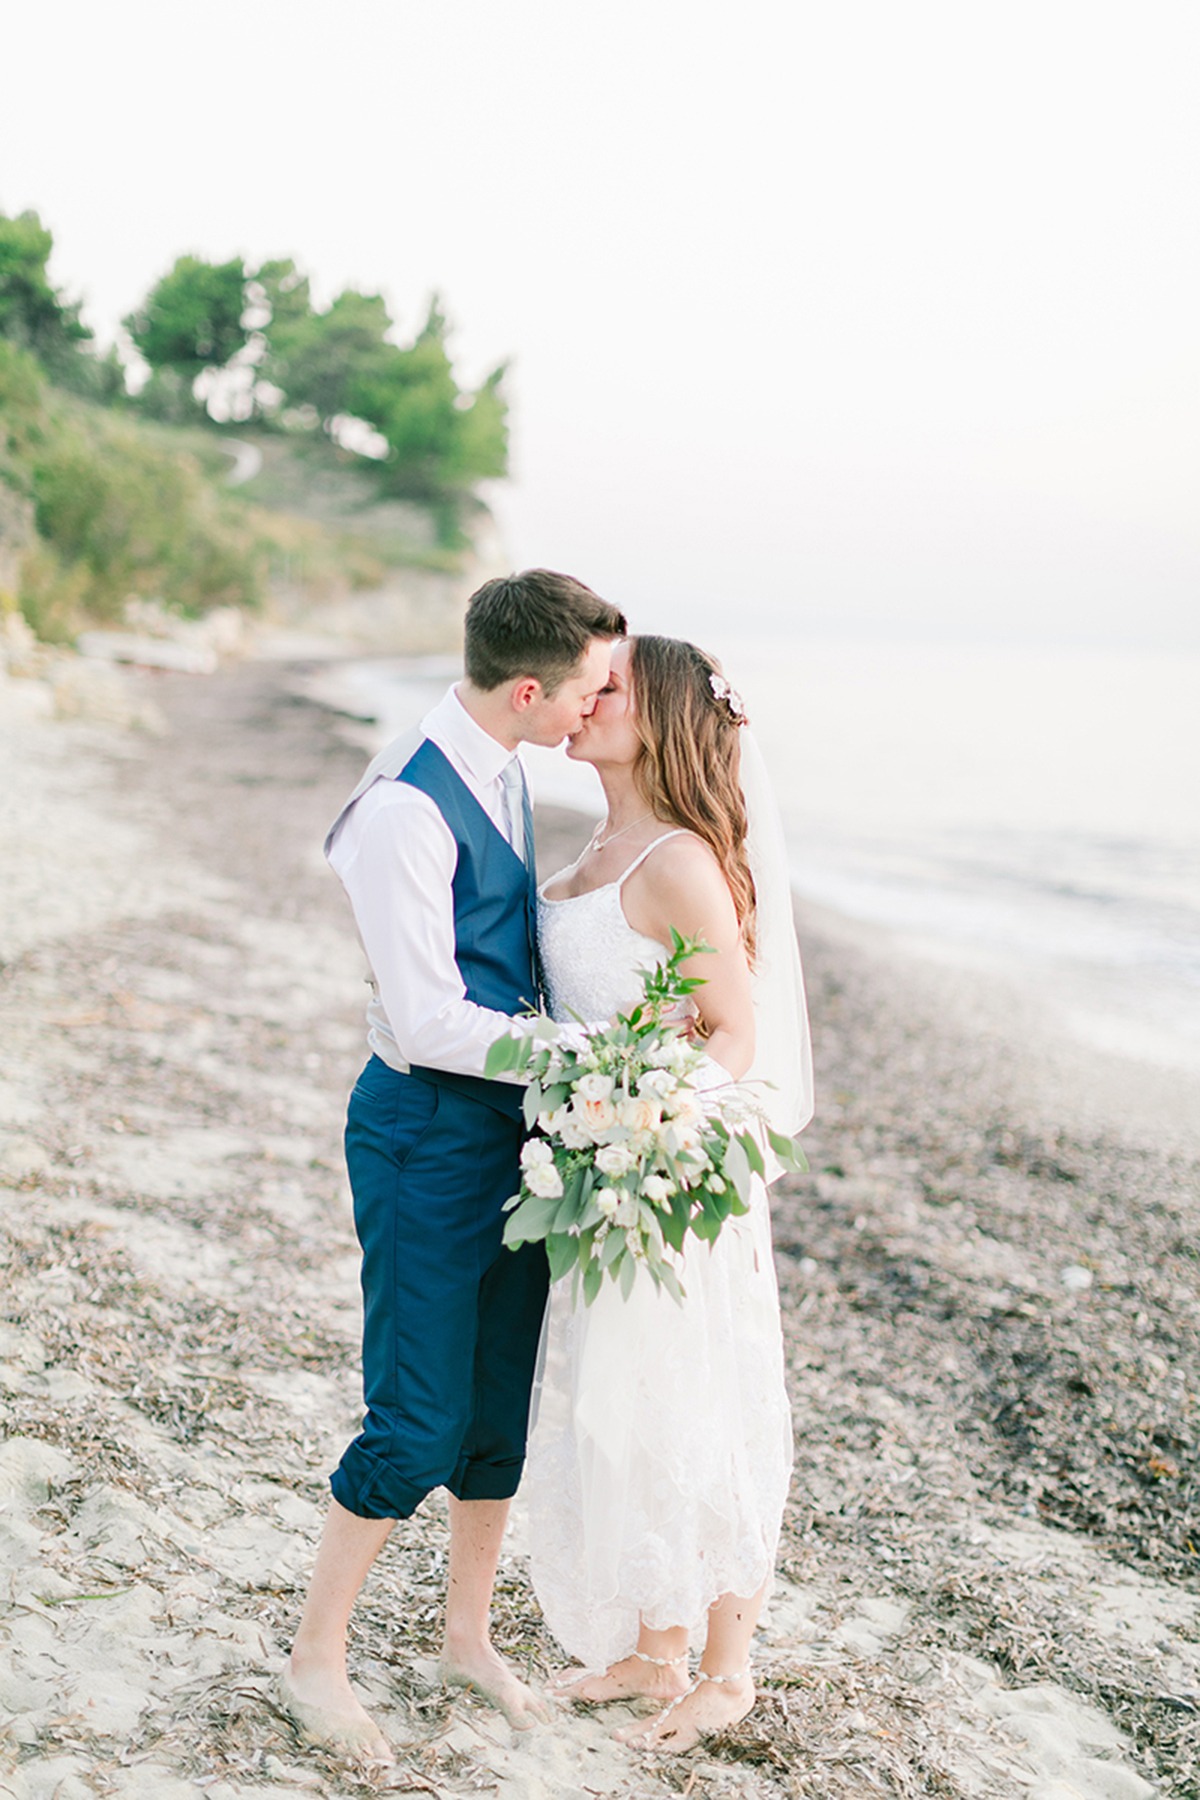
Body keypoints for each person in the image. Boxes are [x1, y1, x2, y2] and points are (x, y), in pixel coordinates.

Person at [280, 570, 626, 1763]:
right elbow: (427, 1020)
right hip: (425, 1128)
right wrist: (586, 1050)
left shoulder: (507, 762)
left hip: (511, 1133)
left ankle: (465, 1636)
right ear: (530, 690)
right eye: (588, 691)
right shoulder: (404, 810)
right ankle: (314, 1660)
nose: (598, 709)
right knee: (417, 1420)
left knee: (493, 1411)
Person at [526, 634, 813, 1753]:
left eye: (613, 690)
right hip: (609, 1173)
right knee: (622, 1408)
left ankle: (726, 1669)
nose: (587, 701)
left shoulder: (683, 860)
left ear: (665, 722)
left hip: (673, 1173)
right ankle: (653, 1650)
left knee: (702, 1404)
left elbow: (737, 1038)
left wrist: (640, 1117)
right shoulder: (597, 843)